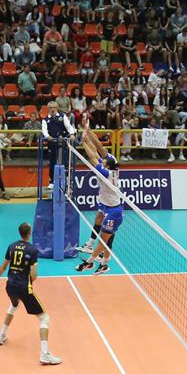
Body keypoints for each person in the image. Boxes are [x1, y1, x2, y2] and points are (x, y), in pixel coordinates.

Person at [0, 222, 60, 365]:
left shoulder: (11, 246)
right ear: (29, 233)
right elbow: (34, 275)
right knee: (44, 318)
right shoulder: (33, 250)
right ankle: (45, 354)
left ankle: (1, 336)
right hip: (24, 288)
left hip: (10, 286)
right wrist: (25, 284)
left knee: (14, 305)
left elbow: (3, 266)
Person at [75, 131, 122, 276]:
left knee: (103, 241)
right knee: (108, 239)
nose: (103, 160)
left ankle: (90, 262)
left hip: (114, 212)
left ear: (107, 165)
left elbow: (92, 157)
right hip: (109, 207)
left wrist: (83, 143)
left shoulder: (105, 173)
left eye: (104, 161)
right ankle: (104, 265)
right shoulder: (112, 168)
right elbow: (96, 154)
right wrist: (86, 138)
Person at [41, 101, 76, 189]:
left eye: (54, 108)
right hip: (52, 143)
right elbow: (44, 130)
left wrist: (72, 134)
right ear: (48, 109)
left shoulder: (62, 116)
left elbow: (68, 126)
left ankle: (66, 180)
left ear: (57, 108)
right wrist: (47, 136)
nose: (52, 109)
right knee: (52, 162)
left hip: (63, 142)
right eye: (50, 108)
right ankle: (52, 181)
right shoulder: (45, 120)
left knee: (65, 161)